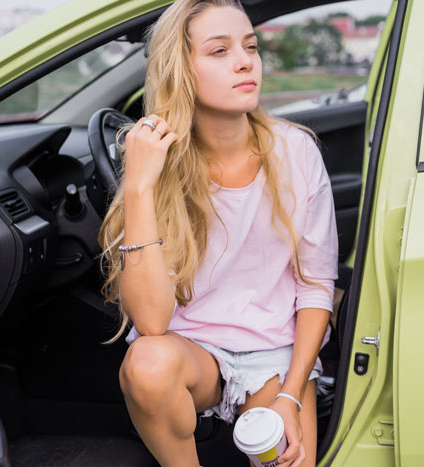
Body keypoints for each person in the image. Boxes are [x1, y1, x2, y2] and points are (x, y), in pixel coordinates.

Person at [97, 0, 338, 465]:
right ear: (181, 69)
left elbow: (315, 289)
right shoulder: (155, 164)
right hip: (195, 353)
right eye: (219, 51)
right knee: (147, 363)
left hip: (275, 352)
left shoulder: (297, 152)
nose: (245, 60)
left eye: (250, 46)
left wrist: (290, 395)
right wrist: (139, 187)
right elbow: (149, 323)